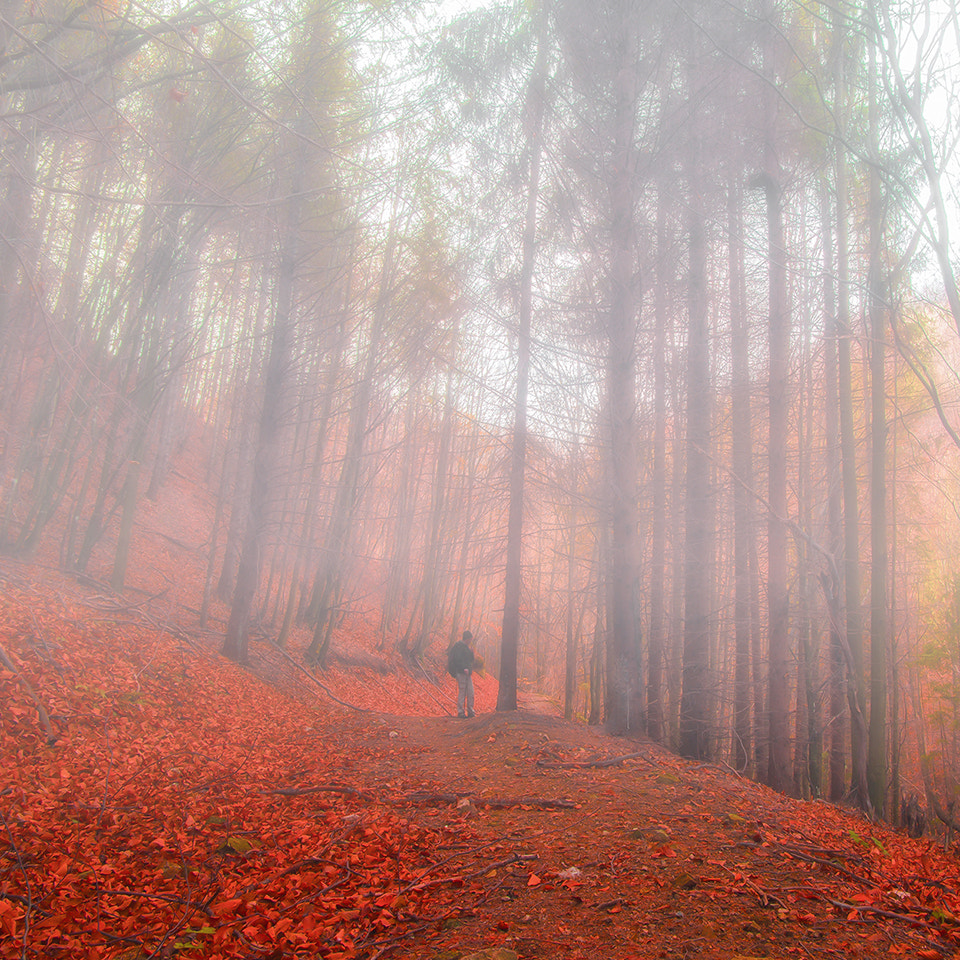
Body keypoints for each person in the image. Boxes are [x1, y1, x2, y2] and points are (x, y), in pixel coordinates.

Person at [447, 630, 476, 718]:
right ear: (467, 638)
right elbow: (457, 660)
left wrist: (472, 653)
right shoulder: (459, 647)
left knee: (470, 692)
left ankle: (470, 711)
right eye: (470, 639)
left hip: (468, 673)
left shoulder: (467, 647)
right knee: (462, 692)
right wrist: (464, 668)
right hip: (461, 672)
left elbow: (470, 660)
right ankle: (460, 712)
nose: (471, 641)